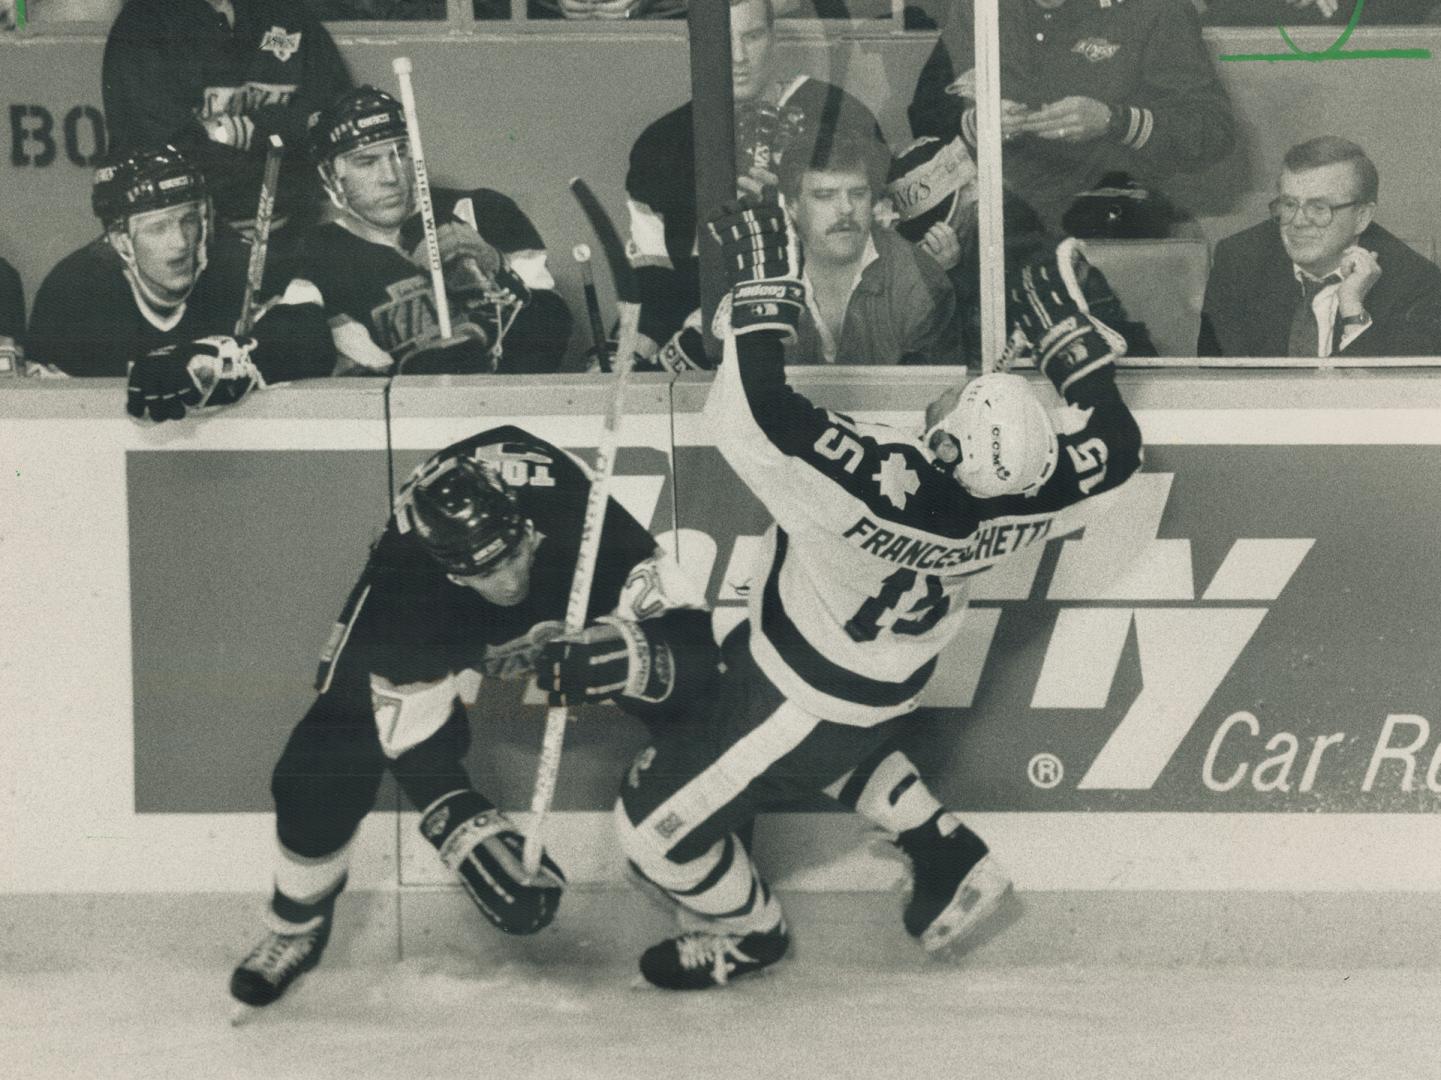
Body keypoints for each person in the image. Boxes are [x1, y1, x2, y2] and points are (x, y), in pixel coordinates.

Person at [614, 200, 1145, 989]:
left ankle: (750, 934)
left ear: (939, 445)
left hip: (795, 695)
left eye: (950, 407)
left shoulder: (873, 492)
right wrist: (1073, 352)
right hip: (882, 683)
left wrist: (760, 299)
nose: (945, 398)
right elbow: (1117, 447)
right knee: (830, 748)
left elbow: (759, 417)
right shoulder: (1042, 492)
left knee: (648, 835)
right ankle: (940, 845)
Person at [229, 424, 723, 1009]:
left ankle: (718, 911)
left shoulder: (581, 524)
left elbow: (695, 645)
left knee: (706, 704)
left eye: (514, 557)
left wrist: (624, 655)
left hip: (566, 577)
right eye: (486, 573)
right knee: (323, 753)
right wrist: (461, 830)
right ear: (451, 572)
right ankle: (296, 924)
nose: (510, 584)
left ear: (527, 531)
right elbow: (407, 735)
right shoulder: (404, 580)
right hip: (438, 614)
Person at [624, 0, 883, 368]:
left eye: (753, 36)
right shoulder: (659, 145)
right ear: (695, 42)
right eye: (720, 39)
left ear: (774, 38)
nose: (738, 56)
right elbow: (655, 285)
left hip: (823, 350)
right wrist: (627, 358)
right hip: (703, 352)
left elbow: (877, 257)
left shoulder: (838, 114)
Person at [26, 145, 335, 417]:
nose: (180, 243)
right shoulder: (73, 291)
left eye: (188, 220)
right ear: (121, 242)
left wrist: (224, 361)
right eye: (158, 228)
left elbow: (311, 340)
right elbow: (55, 422)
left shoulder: (235, 263)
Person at [296, 86, 573, 376]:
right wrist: (326, 339)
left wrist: (499, 268)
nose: (390, 177)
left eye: (399, 153)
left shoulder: (482, 211)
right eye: (366, 162)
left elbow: (554, 331)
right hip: (401, 416)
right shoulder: (315, 253)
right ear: (331, 175)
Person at [908, 0, 1235, 235]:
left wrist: (1114, 121)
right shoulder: (980, 8)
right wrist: (978, 123)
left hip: (1107, 224)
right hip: (997, 220)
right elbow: (925, 113)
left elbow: (1212, 130)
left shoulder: (1156, 9)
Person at [102, 0, 352, 240]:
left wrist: (246, 132)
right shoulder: (143, 25)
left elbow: (333, 117)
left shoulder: (286, 14)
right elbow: (159, 148)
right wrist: (276, 158)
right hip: (188, 237)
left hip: (287, 227)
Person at [1199, 136, 1441, 358]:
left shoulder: (1417, 285)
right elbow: (1215, 379)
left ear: (1362, 217)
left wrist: (1353, 312)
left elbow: (1398, 398)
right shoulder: (1238, 260)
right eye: (1289, 204)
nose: (1299, 221)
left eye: (1319, 208)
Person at [782, 130, 959, 365]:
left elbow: (934, 397)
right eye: (825, 195)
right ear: (792, 206)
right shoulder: (762, 276)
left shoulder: (921, 283)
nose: (846, 208)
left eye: (857, 193)